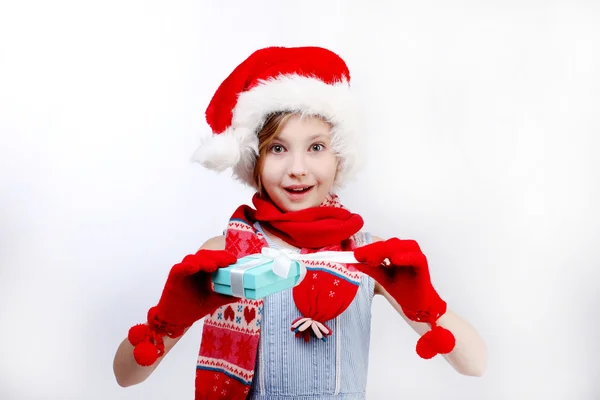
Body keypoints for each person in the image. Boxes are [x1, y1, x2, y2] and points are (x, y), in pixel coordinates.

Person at [113, 46, 487, 399]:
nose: (297, 169)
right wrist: (166, 320)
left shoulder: (369, 254)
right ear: (254, 159)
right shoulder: (222, 255)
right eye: (278, 148)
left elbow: (475, 364)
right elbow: (126, 376)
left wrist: (429, 305)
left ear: (340, 156)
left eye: (316, 147)